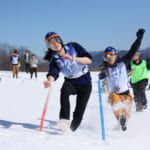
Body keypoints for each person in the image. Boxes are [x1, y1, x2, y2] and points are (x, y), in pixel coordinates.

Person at [43, 32, 92, 132]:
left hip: (85, 82)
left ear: (60, 40)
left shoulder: (74, 46)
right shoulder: (55, 60)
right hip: (71, 82)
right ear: (49, 47)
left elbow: (88, 60)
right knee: (64, 91)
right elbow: (53, 72)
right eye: (51, 43)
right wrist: (50, 81)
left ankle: (71, 130)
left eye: (56, 40)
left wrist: (73, 58)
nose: (55, 44)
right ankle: (64, 120)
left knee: (79, 111)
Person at [99, 29, 145, 131]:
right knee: (116, 106)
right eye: (107, 56)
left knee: (127, 114)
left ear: (116, 55)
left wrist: (139, 39)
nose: (110, 58)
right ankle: (120, 118)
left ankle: (122, 126)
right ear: (105, 58)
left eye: (112, 55)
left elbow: (133, 50)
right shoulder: (106, 67)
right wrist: (102, 75)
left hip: (126, 94)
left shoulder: (123, 62)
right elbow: (102, 73)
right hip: (114, 94)